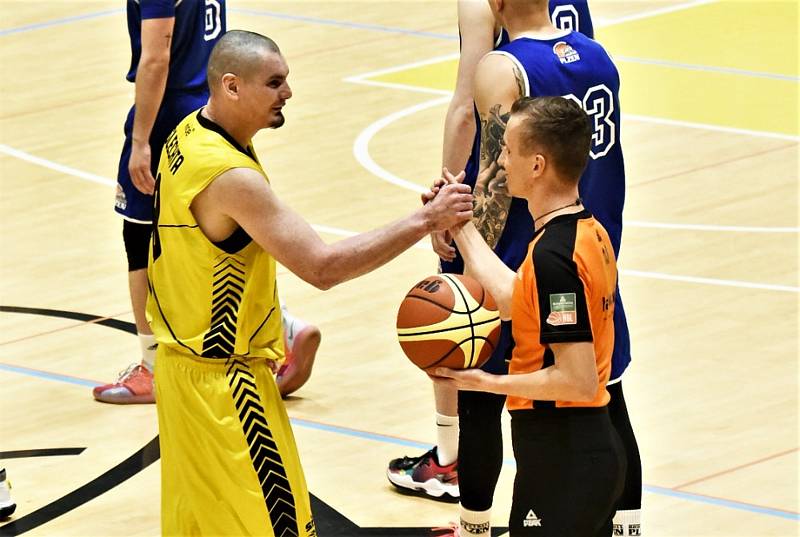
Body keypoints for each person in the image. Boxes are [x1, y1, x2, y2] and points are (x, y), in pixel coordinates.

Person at [146, 30, 473, 536]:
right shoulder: (231, 176)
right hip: (228, 388)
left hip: (179, 372)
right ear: (231, 87)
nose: (288, 93)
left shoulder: (187, 133)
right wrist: (426, 220)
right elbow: (321, 266)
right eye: (274, 82)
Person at [390, 0, 643, 535]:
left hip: (524, 247)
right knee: (609, 390)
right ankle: (627, 528)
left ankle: (473, 526)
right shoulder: (597, 56)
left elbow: (494, 175)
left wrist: (458, 233)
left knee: (482, 389)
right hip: (596, 237)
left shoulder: (502, 67)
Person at [93, 0, 319, 405]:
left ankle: (152, 367)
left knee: (142, 241)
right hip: (209, 109)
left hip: (170, 112)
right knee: (215, 238)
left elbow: (157, 58)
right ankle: (284, 328)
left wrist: (142, 138)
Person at [435, 95, 626, 536]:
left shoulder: (554, 259)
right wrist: (460, 221)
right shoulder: (584, 231)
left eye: (507, 149)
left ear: (537, 165)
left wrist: (485, 383)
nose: (500, 159)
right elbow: (515, 300)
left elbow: (577, 380)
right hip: (577, 452)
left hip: (564, 457)